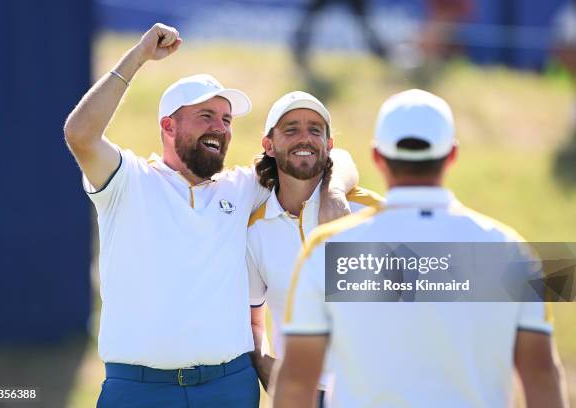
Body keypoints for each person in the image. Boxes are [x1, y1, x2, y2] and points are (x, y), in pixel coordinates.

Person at [63, 23, 357, 407]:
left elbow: (333, 156)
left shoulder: (243, 186)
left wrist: (334, 189)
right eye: (206, 116)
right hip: (138, 389)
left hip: (228, 387)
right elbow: (80, 134)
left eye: (226, 119)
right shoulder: (127, 181)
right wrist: (138, 57)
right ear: (168, 125)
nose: (220, 127)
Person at [274, 89, 569, 407]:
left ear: (377, 157)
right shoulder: (512, 250)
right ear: (452, 154)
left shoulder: (328, 249)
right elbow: (541, 377)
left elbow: (296, 382)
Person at [246, 92, 383, 402]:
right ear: (268, 145)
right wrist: (263, 361)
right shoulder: (255, 229)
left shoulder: (373, 212)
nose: (304, 138)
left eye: (315, 130)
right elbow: (253, 317)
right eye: (291, 129)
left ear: (329, 145)